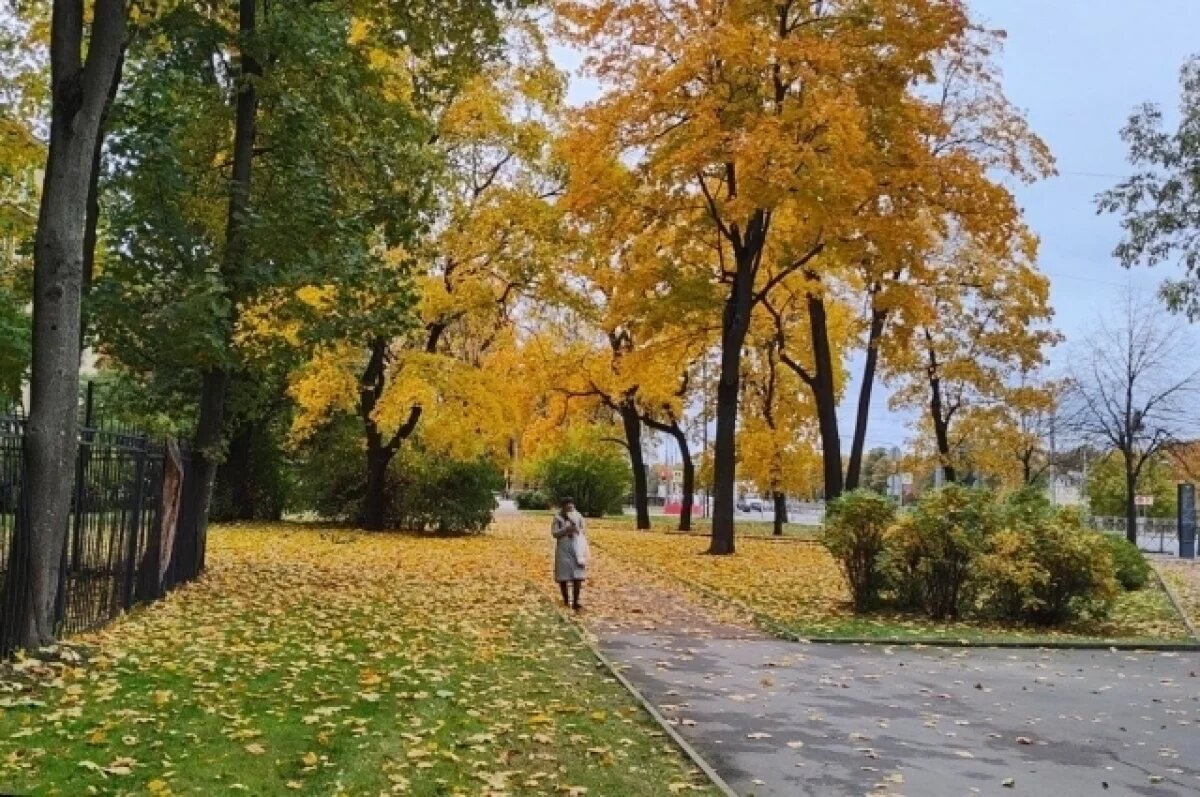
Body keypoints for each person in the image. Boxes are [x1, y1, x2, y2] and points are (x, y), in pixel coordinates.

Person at [551, 497, 587, 611]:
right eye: (567, 505)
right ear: (563, 506)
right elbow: (555, 533)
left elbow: (583, 530)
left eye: (571, 505)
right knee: (563, 576)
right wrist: (566, 529)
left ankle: (576, 602)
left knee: (578, 576)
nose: (570, 507)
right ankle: (566, 600)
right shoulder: (558, 518)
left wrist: (577, 530)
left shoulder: (578, 516)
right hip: (563, 550)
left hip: (576, 549)